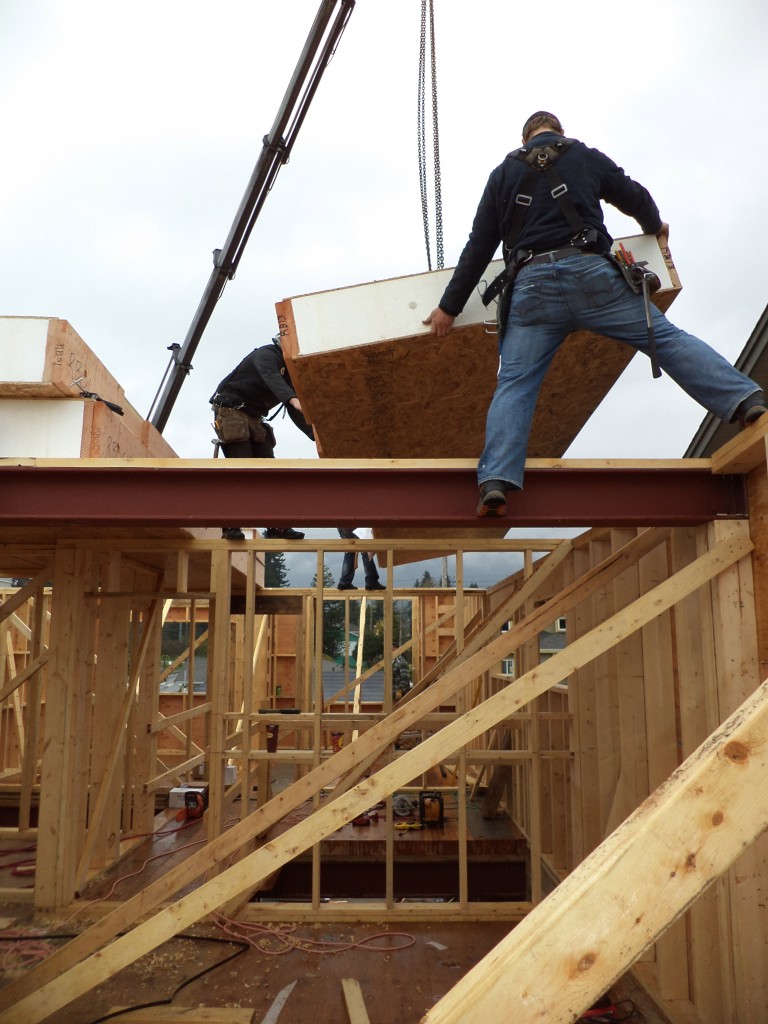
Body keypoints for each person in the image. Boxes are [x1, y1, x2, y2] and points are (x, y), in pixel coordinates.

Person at [423, 110, 767, 518]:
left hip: (533, 289)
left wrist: (449, 307)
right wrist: (655, 227)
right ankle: (746, 400)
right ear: (559, 132)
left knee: (515, 383)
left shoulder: (503, 174)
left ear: (525, 137)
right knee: (666, 339)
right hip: (593, 275)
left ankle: (495, 481)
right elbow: (634, 195)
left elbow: (479, 246)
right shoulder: (583, 156)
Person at [211, 335, 314, 540]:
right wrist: (293, 399)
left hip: (254, 418)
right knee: (241, 469)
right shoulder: (267, 355)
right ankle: (231, 526)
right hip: (231, 412)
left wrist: (315, 436)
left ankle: (277, 526)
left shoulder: (289, 372)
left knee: (270, 472)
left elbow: (293, 408)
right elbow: (271, 377)